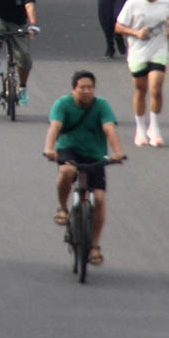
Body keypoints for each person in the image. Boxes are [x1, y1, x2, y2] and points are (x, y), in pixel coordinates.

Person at [43, 70, 127, 267]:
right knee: (67, 171)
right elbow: (54, 127)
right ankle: (63, 208)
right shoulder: (62, 104)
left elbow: (109, 129)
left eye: (90, 87)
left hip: (95, 155)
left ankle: (95, 245)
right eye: (82, 88)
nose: (86, 91)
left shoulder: (101, 106)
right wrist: (49, 148)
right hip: (69, 150)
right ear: (73, 89)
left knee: (98, 198)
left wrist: (118, 152)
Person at [114, 0, 169, 147]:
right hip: (138, 52)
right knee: (141, 90)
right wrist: (135, 32)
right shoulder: (132, 4)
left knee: (156, 88)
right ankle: (140, 128)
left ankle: (154, 128)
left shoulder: (166, 2)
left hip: (159, 50)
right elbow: (118, 26)